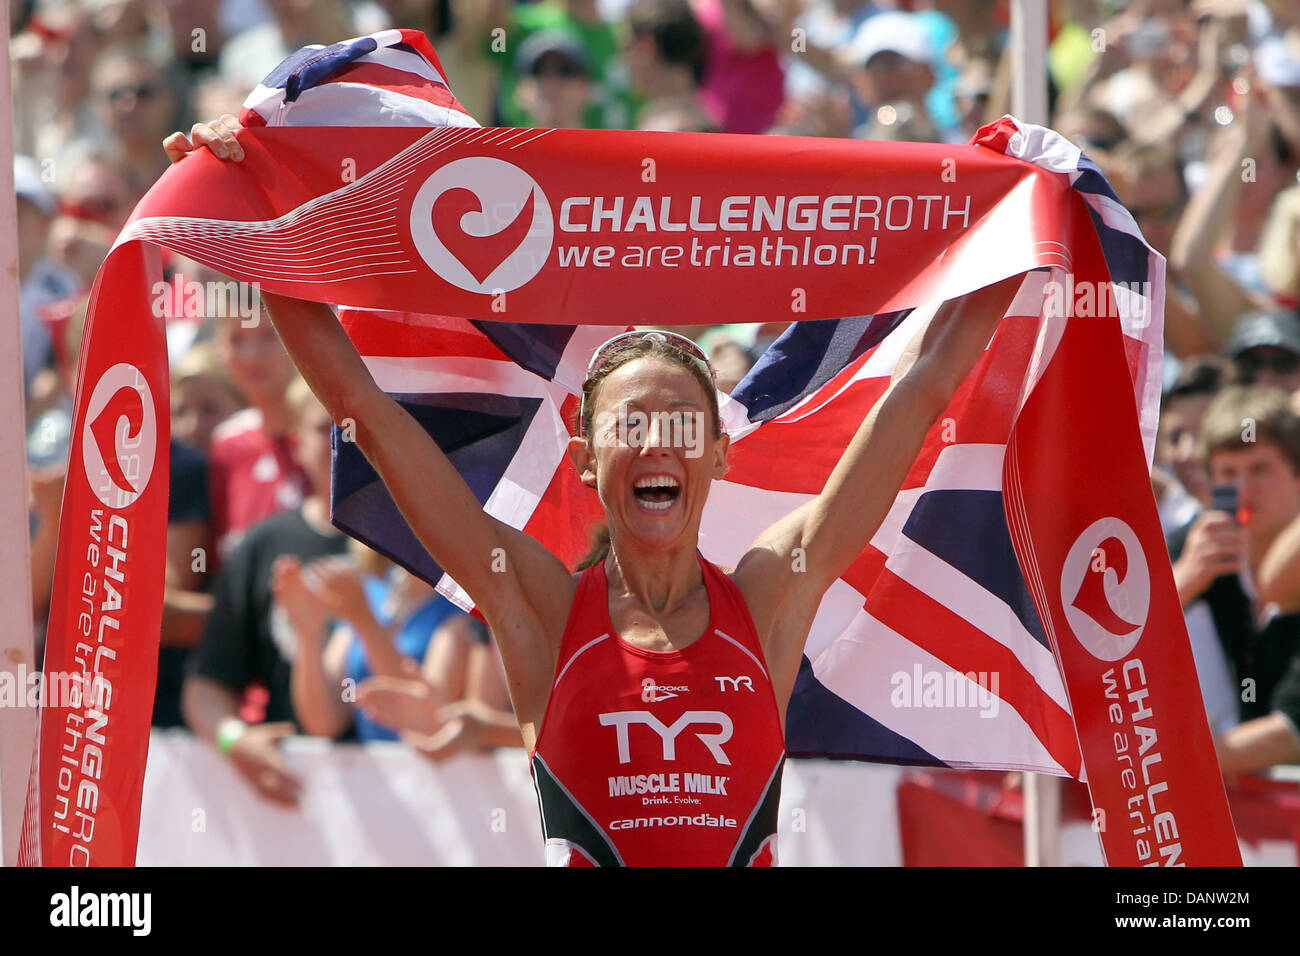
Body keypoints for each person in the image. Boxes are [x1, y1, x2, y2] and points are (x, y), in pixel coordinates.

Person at [167, 114, 1021, 865]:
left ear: (719, 455)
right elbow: (363, 408)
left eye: (682, 425)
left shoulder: (769, 597)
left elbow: (923, 389)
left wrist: (1018, 230)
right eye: (630, 427)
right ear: (583, 459)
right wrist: (256, 233)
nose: (657, 444)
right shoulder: (539, 606)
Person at [182, 378, 350, 806]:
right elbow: (206, 688)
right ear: (296, 441)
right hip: (293, 801)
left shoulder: (425, 544)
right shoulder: (264, 546)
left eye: (351, 428)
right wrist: (234, 742)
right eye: (321, 427)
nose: (340, 442)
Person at [1169, 385, 1300, 775]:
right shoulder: (1194, 545)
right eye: (1228, 473)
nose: (1242, 490)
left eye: (1260, 470)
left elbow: (1291, 730)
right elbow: (1108, 648)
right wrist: (1186, 581)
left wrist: (1166, 768)